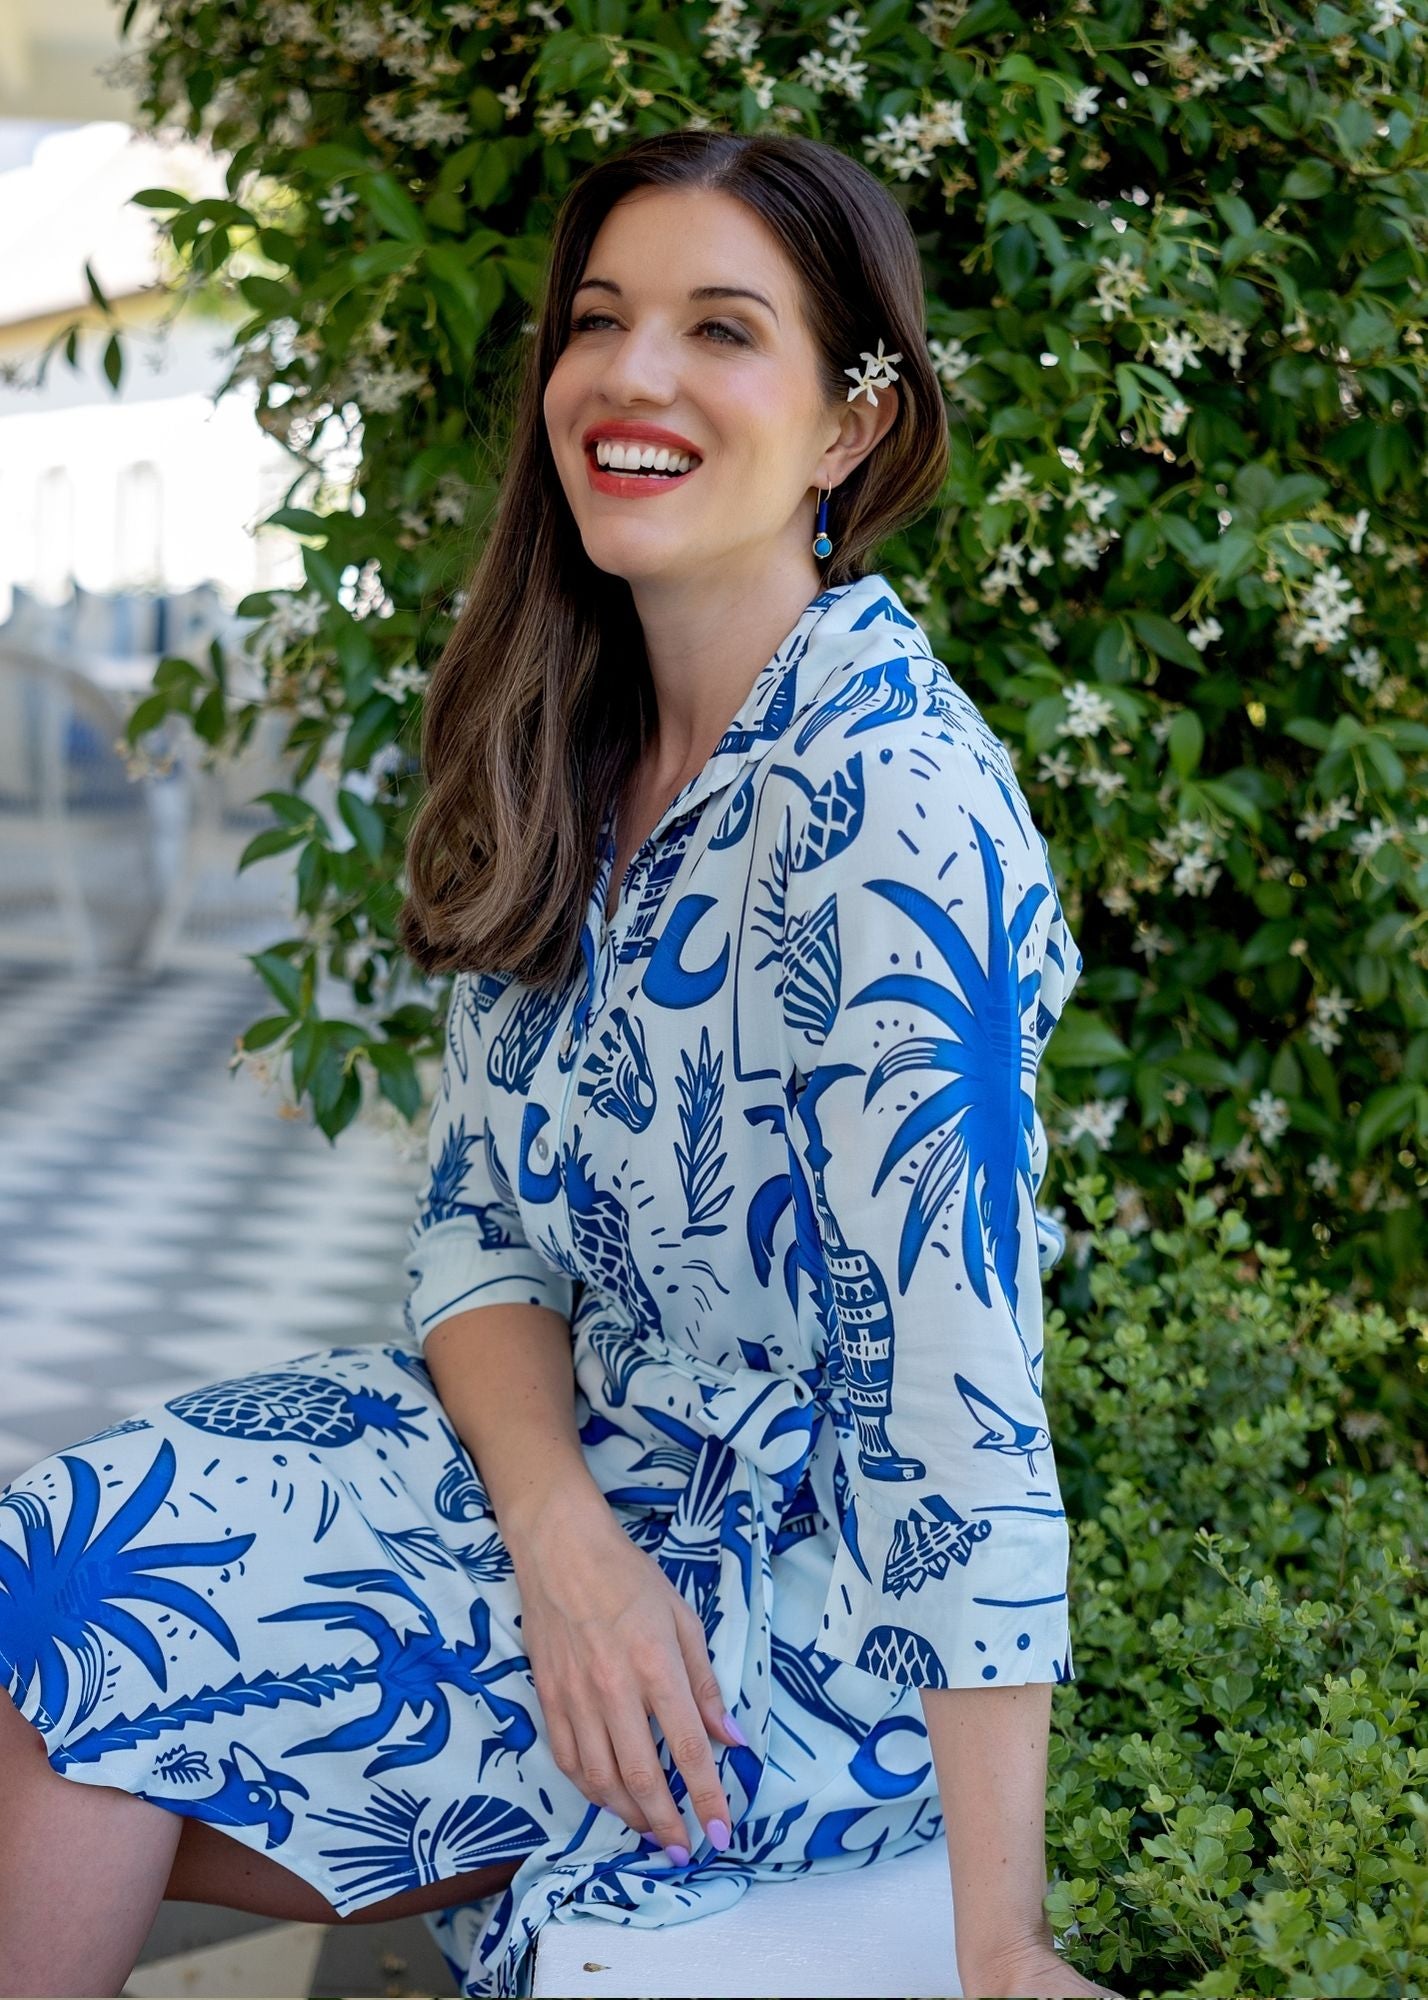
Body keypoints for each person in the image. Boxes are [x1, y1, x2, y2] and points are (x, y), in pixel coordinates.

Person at [0, 128, 1119, 2000]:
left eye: (720, 329)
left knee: (66, 1713)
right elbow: (477, 1239)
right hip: (570, 1484)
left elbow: (960, 1404)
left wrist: (997, 1948)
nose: (634, 376)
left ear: (852, 427)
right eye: (598, 321)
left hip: (787, 1621)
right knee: (58, 1570)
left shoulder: (886, 807)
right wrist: (561, 1535)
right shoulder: (581, 745)